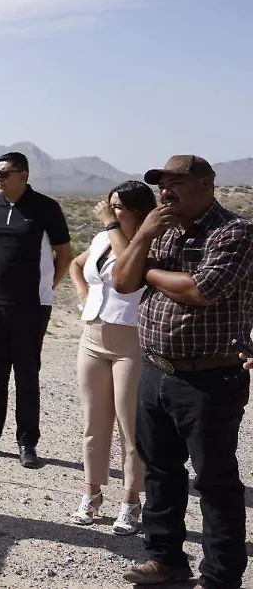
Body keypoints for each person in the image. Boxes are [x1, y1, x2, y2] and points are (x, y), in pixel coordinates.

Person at [113, 155, 253, 589]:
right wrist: (144, 236)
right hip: (156, 371)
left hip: (209, 378)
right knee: (160, 470)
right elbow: (121, 281)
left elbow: (200, 290)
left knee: (214, 482)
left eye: (177, 183)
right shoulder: (163, 231)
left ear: (207, 184)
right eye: (162, 185)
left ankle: (221, 577)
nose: (166, 191)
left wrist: (149, 272)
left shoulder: (235, 233)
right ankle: (166, 559)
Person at [0, 151, 72, 469]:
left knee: (27, 375)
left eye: (4, 173)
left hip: (31, 306)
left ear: (23, 175)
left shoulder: (45, 208)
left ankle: (27, 443)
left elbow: (64, 254)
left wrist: (47, 288)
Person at [67, 181, 156, 534]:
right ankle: (92, 493)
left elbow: (128, 273)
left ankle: (132, 501)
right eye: (110, 205)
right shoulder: (103, 239)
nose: (110, 211)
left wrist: (111, 225)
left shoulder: (147, 243)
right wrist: (84, 295)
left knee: (130, 427)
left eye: (118, 207)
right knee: (94, 422)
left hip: (131, 342)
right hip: (92, 336)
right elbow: (76, 264)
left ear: (137, 212)